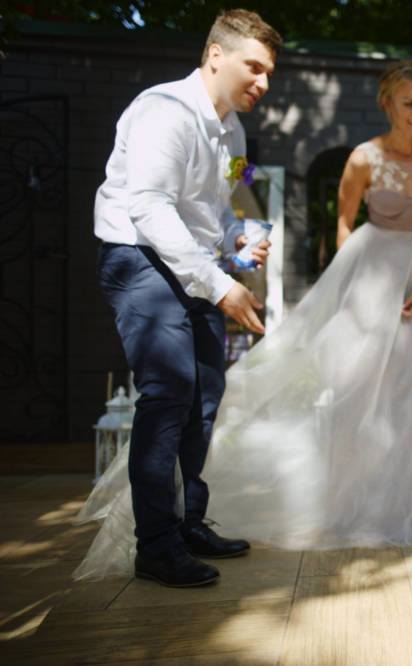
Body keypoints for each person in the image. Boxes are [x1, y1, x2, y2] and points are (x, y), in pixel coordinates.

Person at [75, 59, 412, 582]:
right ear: (388, 103)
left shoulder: (234, 133)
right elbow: (344, 226)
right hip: (361, 274)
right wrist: (358, 290)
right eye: (409, 102)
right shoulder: (356, 156)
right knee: (348, 388)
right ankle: (174, 534)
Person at [90, 9, 282, 587]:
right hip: (139, 257)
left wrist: (238, 240)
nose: (264, 83)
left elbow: (217, 212)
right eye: (255, 67)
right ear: (216, 56)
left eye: (270, 72)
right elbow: (149, 208)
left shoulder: (238, 134)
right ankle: (154, 545)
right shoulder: (162, 112)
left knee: (205, 396)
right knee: (170, 389)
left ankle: (188, 523)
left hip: (193, 264)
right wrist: (223, 284)